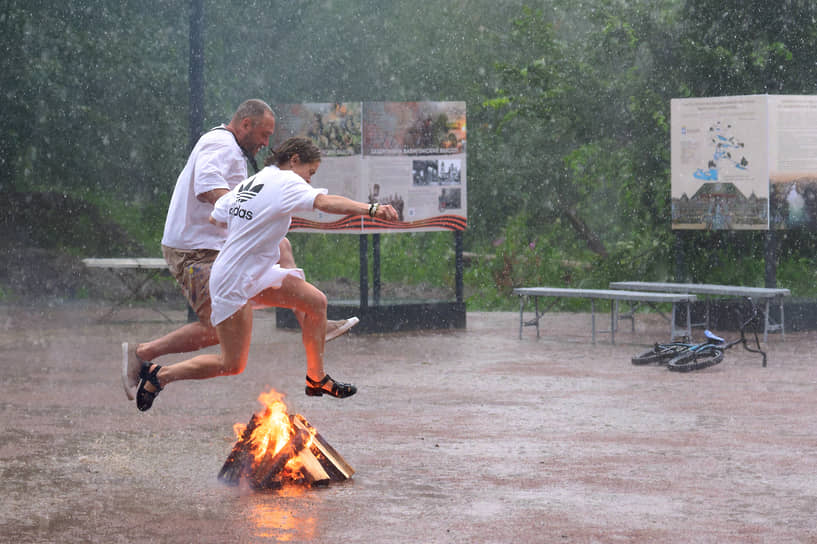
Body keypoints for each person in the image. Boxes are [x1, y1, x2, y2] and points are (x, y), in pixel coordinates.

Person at [128, 137, 399, 411]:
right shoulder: (285, 181)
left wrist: (255, 223)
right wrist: (372, 209)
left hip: (254, 272)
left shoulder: (253, 182)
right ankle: (159, 376)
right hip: (233, 280)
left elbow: (216, 216)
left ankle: (316, 379)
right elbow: (325, 202)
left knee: (317, 302)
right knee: (232, 364)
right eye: (310, 172)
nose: (308, 180)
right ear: (294, 160)